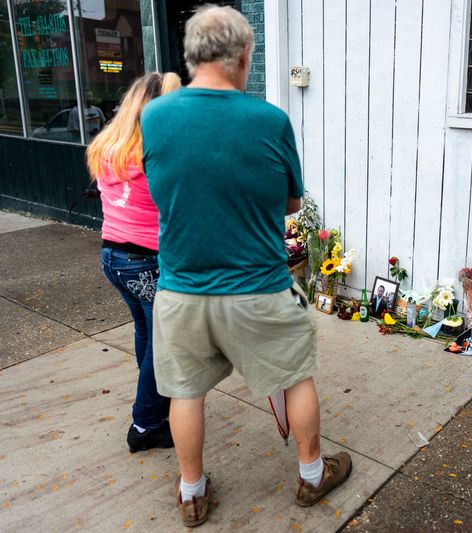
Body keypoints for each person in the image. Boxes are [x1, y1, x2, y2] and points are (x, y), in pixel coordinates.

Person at [140, 6, 351, 527]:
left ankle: (192, 494)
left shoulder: (155, 118)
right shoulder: (269, 120)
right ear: (243, 55)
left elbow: (161, 188)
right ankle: (310, 477)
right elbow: (291, 204)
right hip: (259, 288)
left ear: (189, 56)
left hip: (183, 288)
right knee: (296, 377)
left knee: (184, 391)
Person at [86, 72, 182, 453]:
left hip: (112, 257)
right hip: (145, 261)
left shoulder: (108, 146)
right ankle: (145, 424)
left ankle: (154, 405)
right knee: (163, 341)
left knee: (145, 329)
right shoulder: (157, 153)